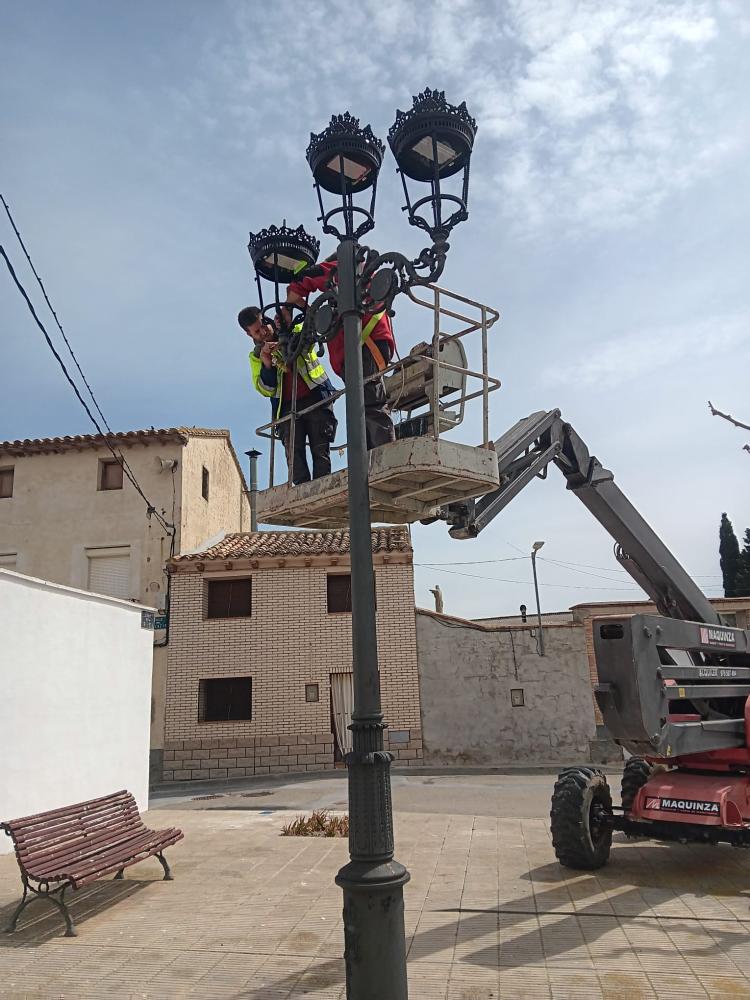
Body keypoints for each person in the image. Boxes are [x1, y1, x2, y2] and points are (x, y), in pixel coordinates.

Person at [285, 259, 396, 450]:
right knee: (365, 407)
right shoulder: (364, 279)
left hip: (363, 345)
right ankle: (372, 457)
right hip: (369, 345)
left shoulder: (341, 269)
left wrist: (289, 308)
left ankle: (384, 457)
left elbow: (301, 284)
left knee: (368, 404)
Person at [238, 306, 337, 485]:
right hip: (287, 408)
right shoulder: (256, 357)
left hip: (316, 397)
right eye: (256, 332)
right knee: (295, 456)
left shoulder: (293, 330)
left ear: (268, 320)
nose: (263, 332)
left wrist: (288, 331)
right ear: (249, 335)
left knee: (320, 450)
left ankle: (323, 487)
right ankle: (304, 498)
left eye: (263, 326)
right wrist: (267, 363)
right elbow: (264, 389)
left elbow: (309, 338)